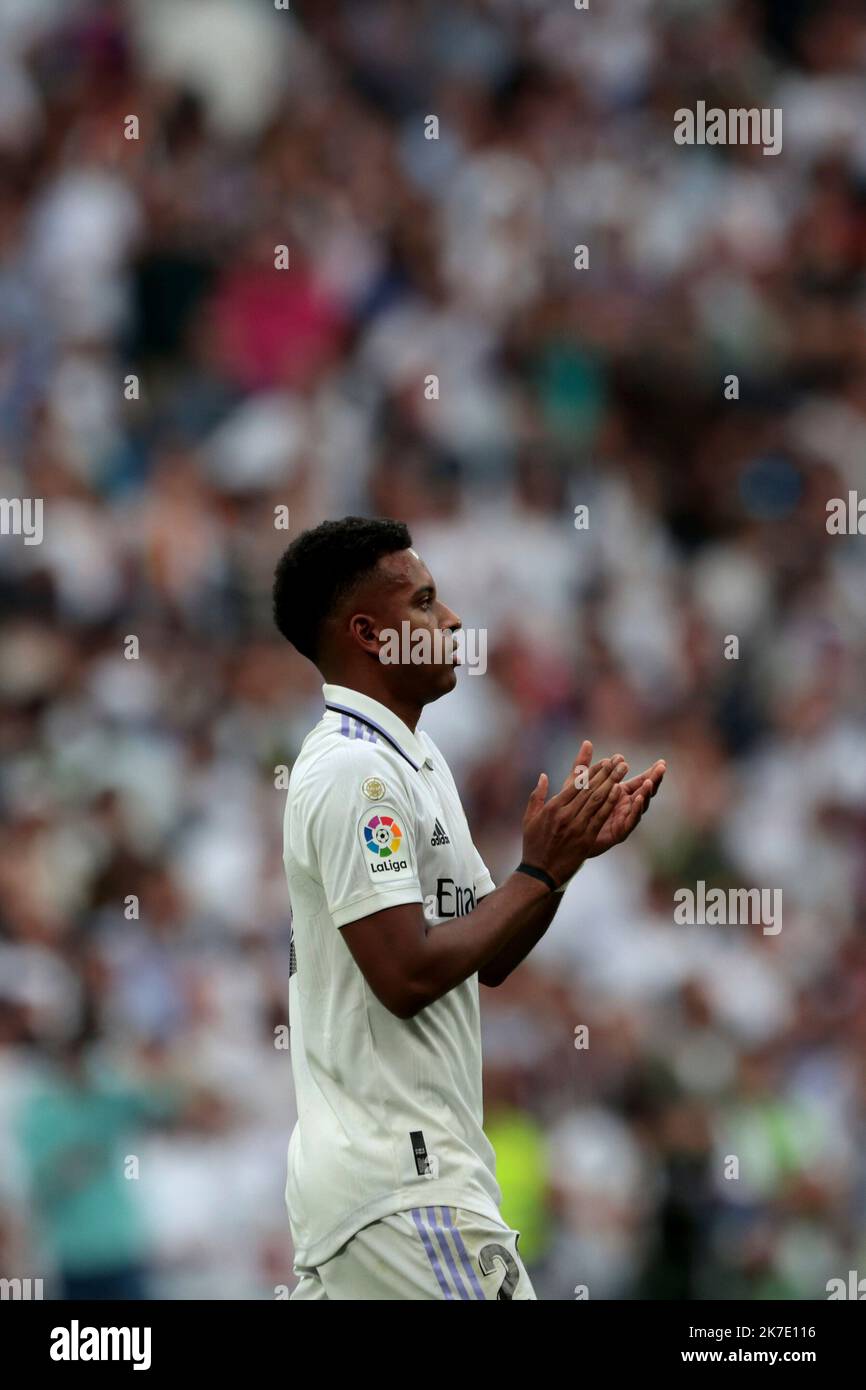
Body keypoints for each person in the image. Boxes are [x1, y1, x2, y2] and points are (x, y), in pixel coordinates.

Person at [272, 516, 665, 1300]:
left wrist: (562, 865)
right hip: (405, 1182)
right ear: (369, 633)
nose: (450, 622)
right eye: (424, 603)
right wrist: (537, 872)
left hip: (384, 1190)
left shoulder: (415, 762)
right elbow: (407, 974)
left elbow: (490, 956)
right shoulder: (355, 773)